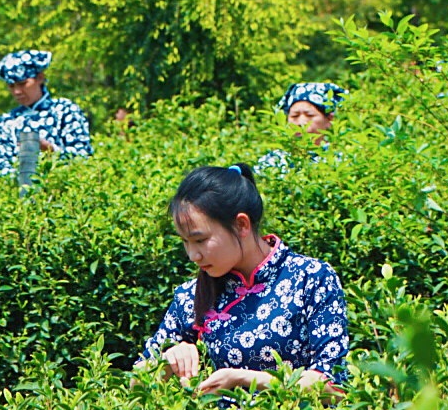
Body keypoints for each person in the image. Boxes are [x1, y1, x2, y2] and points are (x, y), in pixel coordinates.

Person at [137, 164, 349, 395]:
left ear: (241, 225)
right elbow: (135, 386)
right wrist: (166, 362)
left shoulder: (311, 278)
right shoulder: (191, 296)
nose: (192, 255)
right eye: (185, 242)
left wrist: (243, 379)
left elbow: (334, 386)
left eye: (200, 240)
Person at [0, 50, 93, 178]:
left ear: (40, 77)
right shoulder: (7, 121)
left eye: (23, 84)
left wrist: (51, 151)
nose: (17, 91)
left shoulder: (65, 110)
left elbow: (82, 158)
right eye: (11, 86)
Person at [257, 82, 344, 174]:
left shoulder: (340, 160)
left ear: (329, 119)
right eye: (295, 116)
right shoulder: (272, 162)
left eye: (310, 115)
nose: (301, 123)